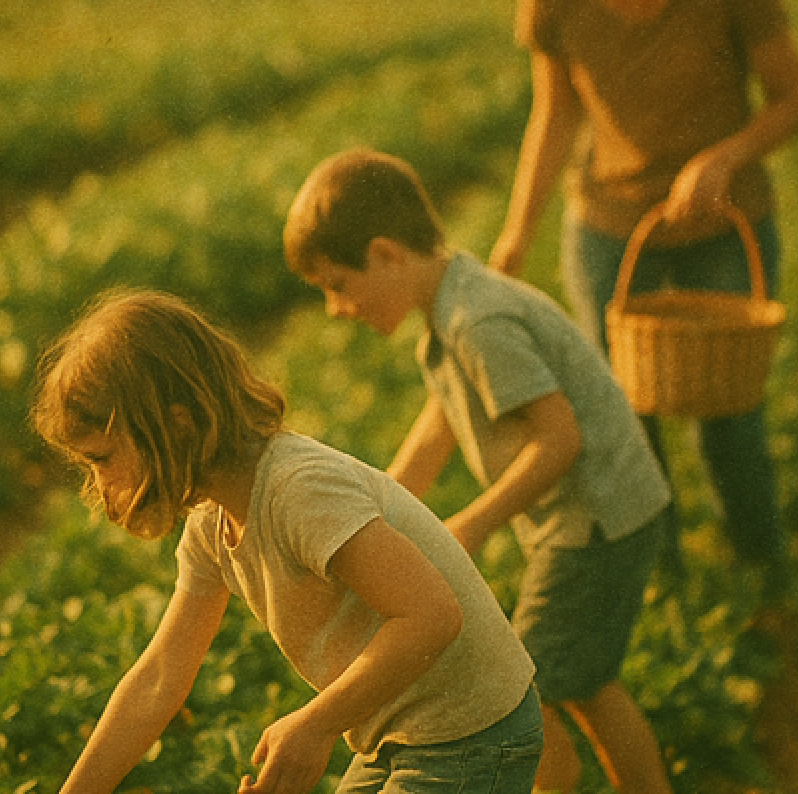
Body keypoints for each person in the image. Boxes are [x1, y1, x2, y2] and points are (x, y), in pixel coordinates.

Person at [32, 288, 543, 794]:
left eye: (101, 458)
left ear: (175, 423)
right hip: (400, 733)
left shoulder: (298, 490)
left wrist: (316, 724)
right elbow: (160, 678)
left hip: (472, 731)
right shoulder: (212, 526)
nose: (99, 486)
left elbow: (432, 616)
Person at [286, 149, 674, 794]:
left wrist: (469, 526)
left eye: (336, 284)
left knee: (525, 690)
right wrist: (368, 508)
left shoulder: (477, 320)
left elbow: (559, 441)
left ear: (385, 255)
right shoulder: (449, 311)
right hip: (605, 515)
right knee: (588, 682)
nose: (336, 307)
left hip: (597, 521)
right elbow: (435, 431)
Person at [489, 0, 798, 590]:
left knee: (729, 416)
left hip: (725, 221)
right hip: (612, 227)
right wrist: (516, 232)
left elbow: (793, 98)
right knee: (622, 423)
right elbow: (555, 114)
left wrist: (727, 156)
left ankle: (766, 577)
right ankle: (662, 587)